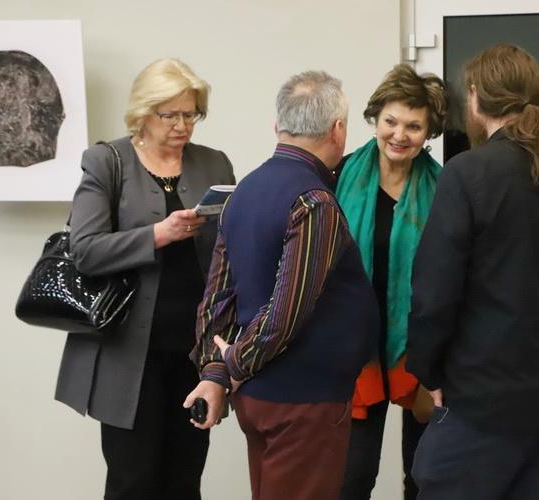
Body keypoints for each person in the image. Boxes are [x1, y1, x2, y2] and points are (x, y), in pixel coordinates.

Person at [406, 44, 539, 500]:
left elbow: (435, 292)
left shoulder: (467, 173)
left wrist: (428, 372)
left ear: (475, 97)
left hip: (484, 400)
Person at [185, 70, 379, 500]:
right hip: (303, 399)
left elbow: (217, 296)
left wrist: (216, 371)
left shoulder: (242, 191)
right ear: (338, 130)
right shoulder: (314, 201)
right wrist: (232, 365)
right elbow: (285, 313)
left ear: (278, 127)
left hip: (263, 397)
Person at [54, 58, 235, 500]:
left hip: (194, 352)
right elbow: (85, 250)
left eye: (190, 114)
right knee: (132, 482)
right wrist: (159, 234)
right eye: (169, 115)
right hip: (128, 354)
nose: (181, 126)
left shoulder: (214, 163)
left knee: (185, 480)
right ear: (142, 112)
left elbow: (232, 250)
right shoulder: (106, 161)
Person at [335, 64, 447, 500]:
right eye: (391, 121)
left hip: (421, 349)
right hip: (355, 350)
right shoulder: (339, 175)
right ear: (375, 119)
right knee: (353, 478)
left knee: (424, 477)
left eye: (413, 126)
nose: (399, 135)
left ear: (429, 132)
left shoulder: (445, 189)